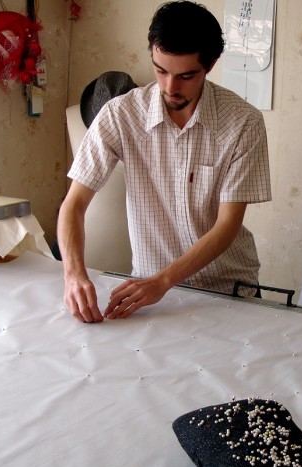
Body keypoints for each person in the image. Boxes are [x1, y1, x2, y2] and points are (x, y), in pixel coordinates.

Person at [57, 1, 272, 323]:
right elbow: (74, 204)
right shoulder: (120, 115)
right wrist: (73, 274)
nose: (170, 87)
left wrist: (164, 281)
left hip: (227, 289)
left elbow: (227, 226)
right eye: (161, 71)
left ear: (210, 65)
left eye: (186, 75)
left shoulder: (243, 123)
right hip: (150, 293)